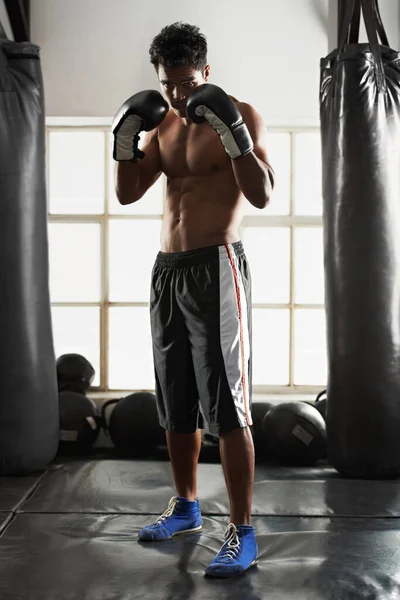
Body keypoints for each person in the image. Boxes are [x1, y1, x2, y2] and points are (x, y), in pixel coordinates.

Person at [113, 22, 274, 578]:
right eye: (168, 83)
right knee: (175, 394)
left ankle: (242, 531)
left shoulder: (239, 113)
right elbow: (130, 193)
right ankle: (185, 506)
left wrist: (234, 135)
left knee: (226, 402)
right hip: (168, 271)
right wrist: (124, 142)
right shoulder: (162, 125)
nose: (179, 94)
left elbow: (262, 193)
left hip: (217, 267)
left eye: (186, 81)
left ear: (206, 72)